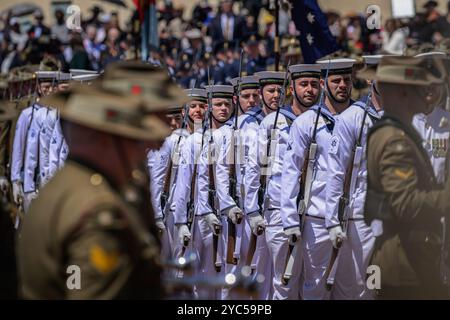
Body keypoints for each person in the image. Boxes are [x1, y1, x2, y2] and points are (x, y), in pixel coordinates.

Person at [16, 61, 186, 299]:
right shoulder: (98, 210)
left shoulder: (70, 185)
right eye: (138, 139)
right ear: (109, 137)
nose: (151, 146)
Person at [364, 55, 450, 299]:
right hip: (405, 261)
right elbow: (405, 203)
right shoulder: (394, 139)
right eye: (417, 89)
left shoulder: (398, 131)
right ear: (402, 94)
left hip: (412, 254)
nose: (426, 94)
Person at [280, 59, 356, 300]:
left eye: (346, 80)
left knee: (353, 288)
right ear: (325, 84)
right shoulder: (306, 123)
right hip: (318, 217)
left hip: (355, 216)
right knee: (316, 288)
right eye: (336, 81)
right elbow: (290, 172)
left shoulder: (361, 119)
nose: (342, 85)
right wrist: (290, 219)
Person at [324, 55, 384, 300]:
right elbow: (335, 171)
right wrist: (332, 221)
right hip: (361, 215)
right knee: (356, 287)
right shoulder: (352, 118)